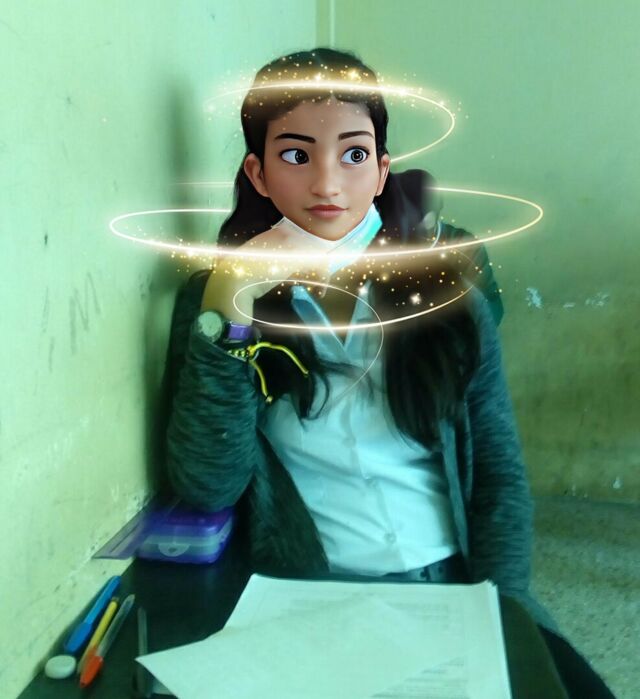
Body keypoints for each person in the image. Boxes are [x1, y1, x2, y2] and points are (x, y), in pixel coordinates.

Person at [164, 47, 616, 698]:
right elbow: (208, 484)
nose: (327, 185)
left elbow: (497, 473)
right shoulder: (216, 301)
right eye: (296, 155)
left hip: (457, 584)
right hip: (313, 597)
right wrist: (230, 307)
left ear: (381, 172)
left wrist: (502, 609)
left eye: (353, 154)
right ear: (259, 173)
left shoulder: (446, 298)